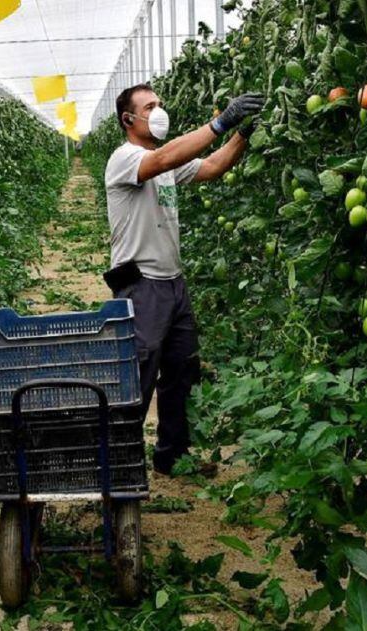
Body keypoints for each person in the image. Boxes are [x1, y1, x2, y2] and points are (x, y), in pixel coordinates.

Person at [103, 85, 264, 475]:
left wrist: (242, 135)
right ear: (129, 119)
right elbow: (161, 160)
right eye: (150, 107)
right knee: (137, 374)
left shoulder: (168, 160)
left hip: (173, 284)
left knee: (180, 372)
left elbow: (210, 168)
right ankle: (119, 461)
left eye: (160, 103)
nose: (159, 110)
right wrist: (220, 122)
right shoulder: (126, 159)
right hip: (141, 287)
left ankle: (172, 455)